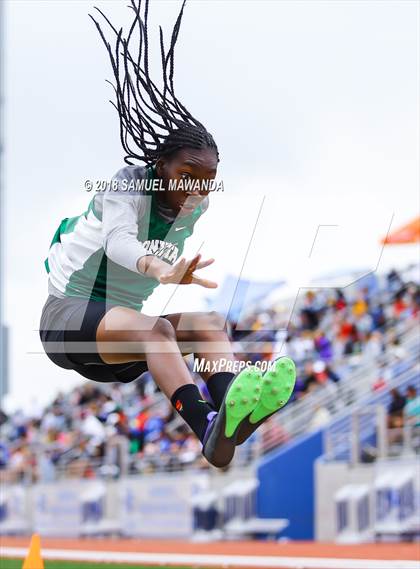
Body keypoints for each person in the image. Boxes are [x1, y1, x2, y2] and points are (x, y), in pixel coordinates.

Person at [39, 0, 296, 469]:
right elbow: (119, 243)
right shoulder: (127, 183)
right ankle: (208, 430)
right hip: (67, 323)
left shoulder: (196, 204)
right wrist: (162, 269)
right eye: (188, 173)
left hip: (120, 339)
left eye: (208, 176)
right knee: (158, 329)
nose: (198, 186)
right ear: (161, 167)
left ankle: (232, 417)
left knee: (210, 325)